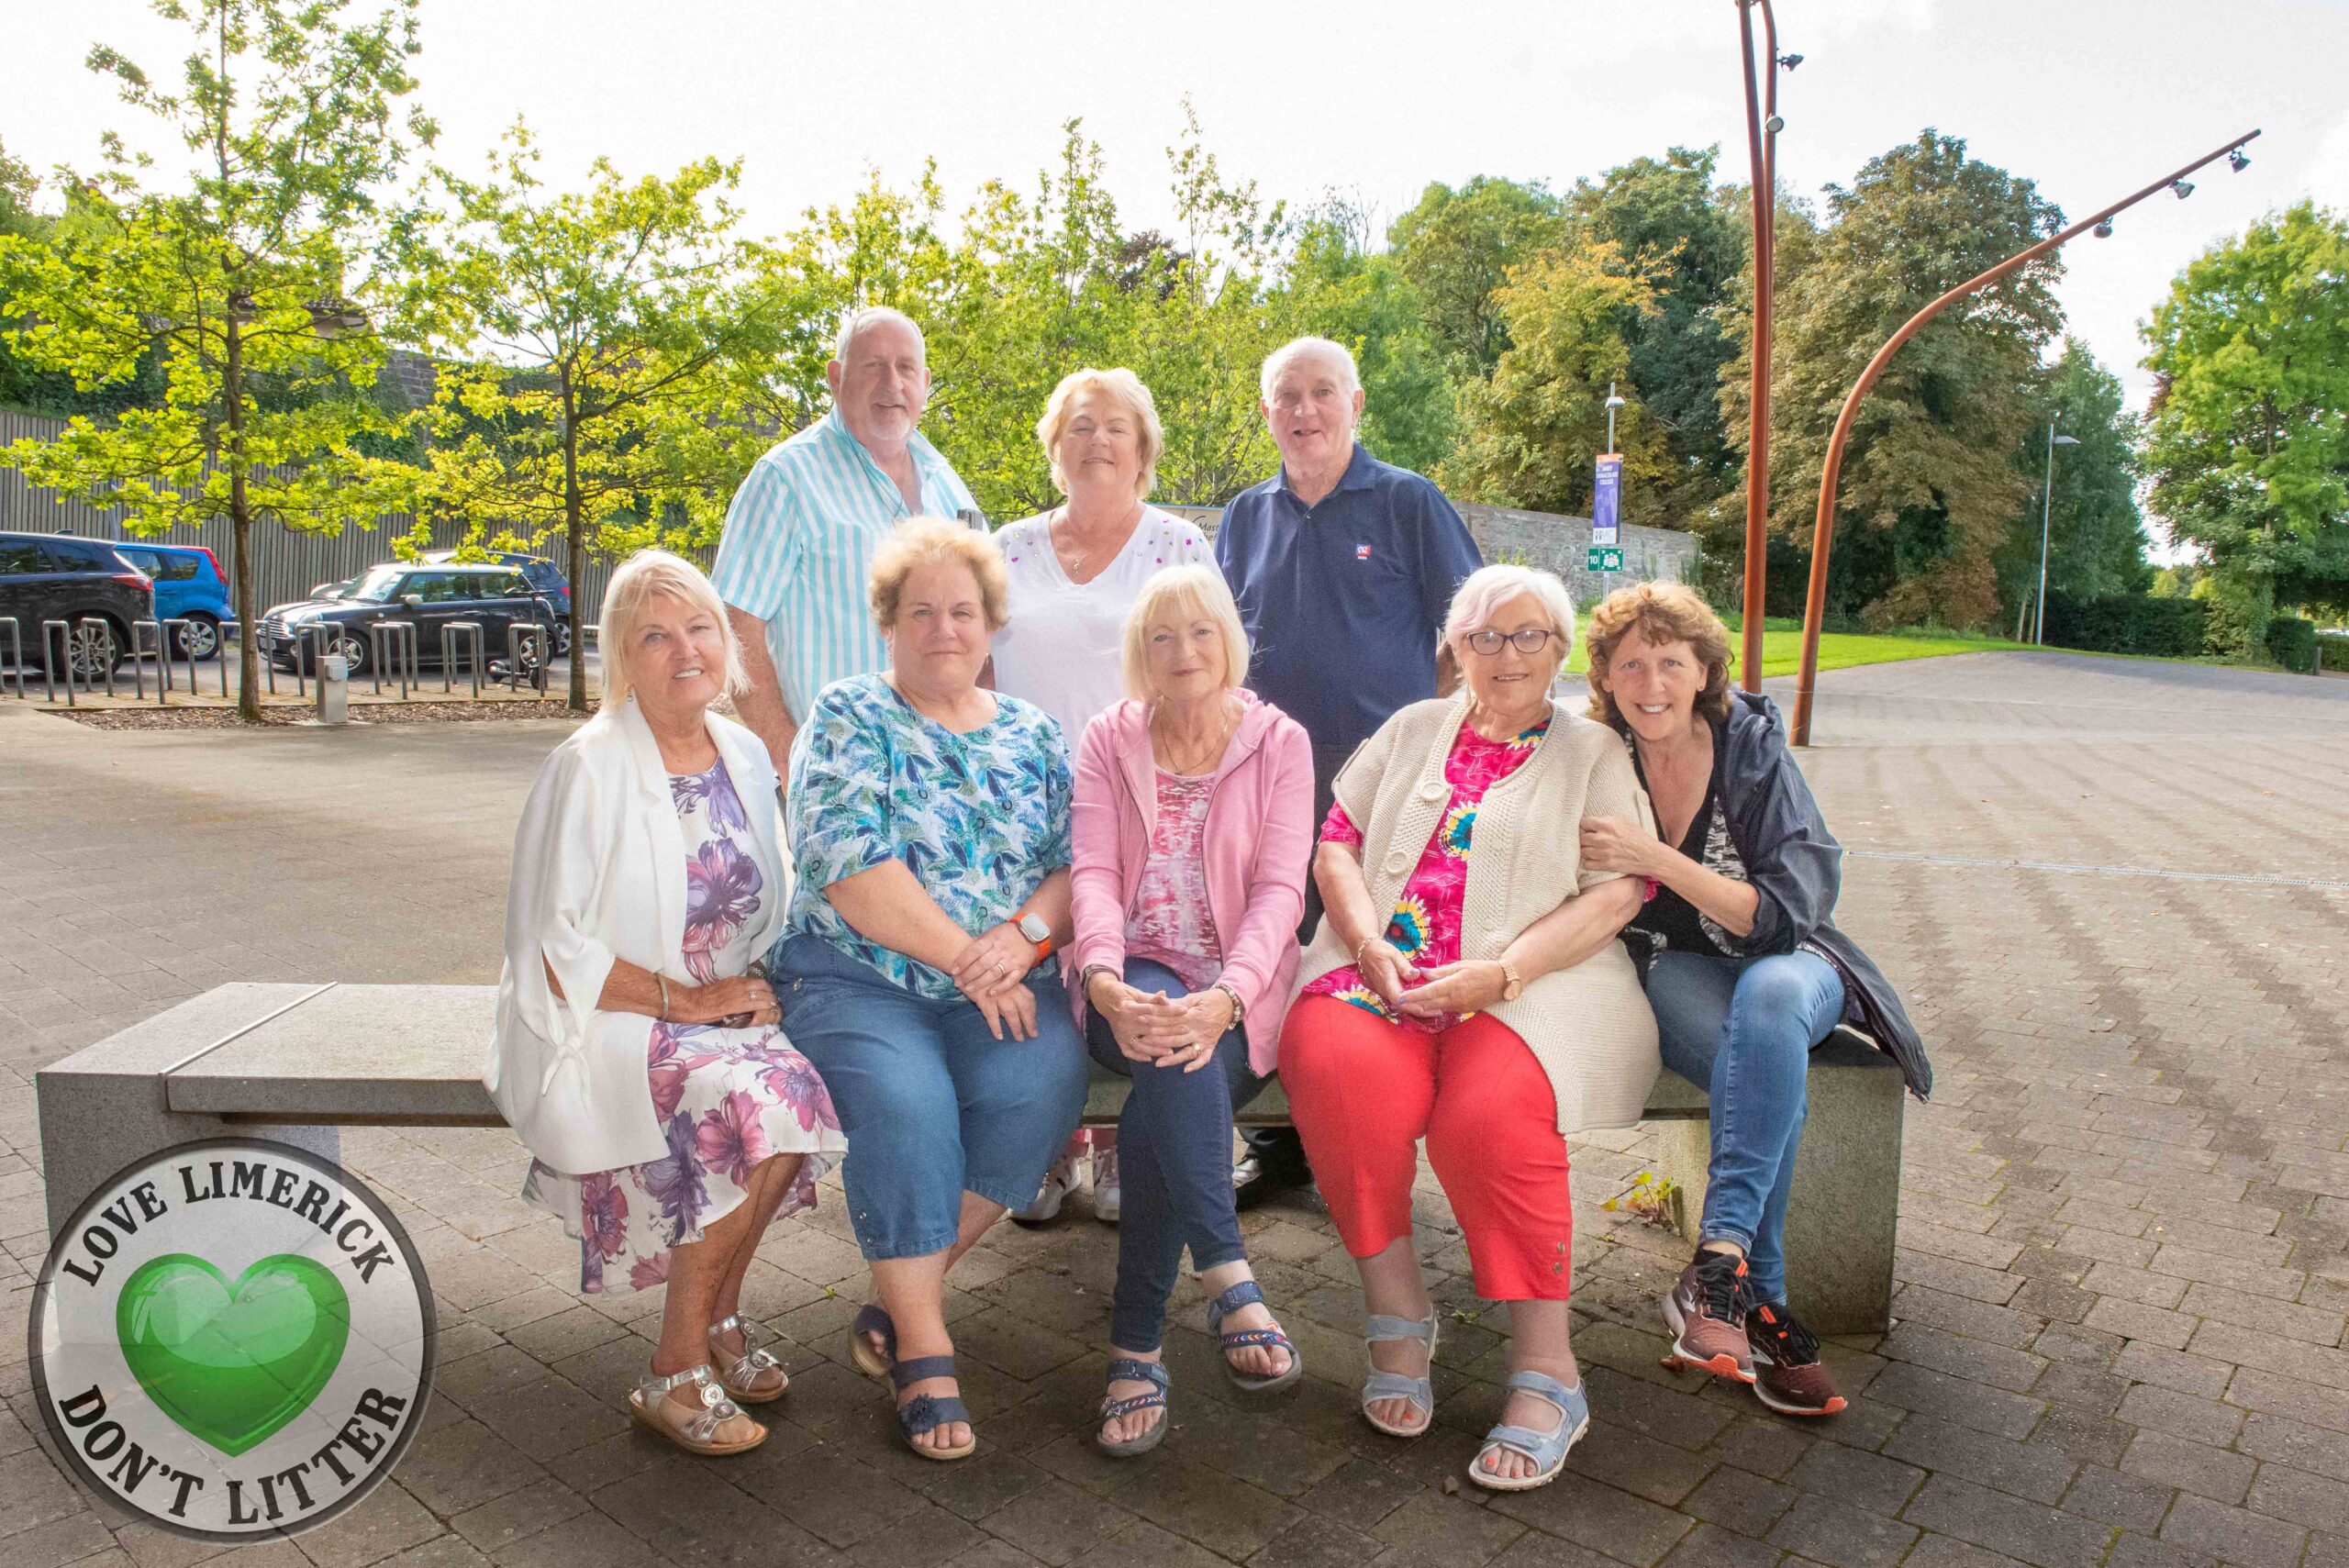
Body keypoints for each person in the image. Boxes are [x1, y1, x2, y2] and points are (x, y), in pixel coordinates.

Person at [1278, 563, 1657, 1493]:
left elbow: (1619, 889)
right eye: (1483, 636)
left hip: (1528, 982)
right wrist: (1364, 939)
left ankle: (1548, 1369)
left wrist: (1503, 970)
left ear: (1559, 649)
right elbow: (1336, 835)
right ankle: (1398, 1312)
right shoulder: (1413, 726)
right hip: (1386, 972)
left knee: (1484, 1116)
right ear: (1454, 647)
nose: (1505, 653)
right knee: (1333, 1065)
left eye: (1527, 634)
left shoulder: (1592, 751)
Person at [487, 550, 847, 1457]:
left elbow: (774, 890)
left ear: (726, 644)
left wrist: (755, 986)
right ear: (623, 655)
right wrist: (689, 999)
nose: (684, 648)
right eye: (655, 633)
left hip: (717, 1009)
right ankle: (673, 1366)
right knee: (751, 1099)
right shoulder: (589, 765)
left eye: (698, 627)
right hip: (615, 1014)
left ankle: (720, 1314)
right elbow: (549, 940)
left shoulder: (741, 751)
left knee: (799, 1092)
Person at [768, 517, 1089, 1462]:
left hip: (994, 979)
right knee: (907, 1104)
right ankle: (926, 1341)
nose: (943, 628)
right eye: (921, 610)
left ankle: (902, 1289)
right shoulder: (848, 711)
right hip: (858, 975)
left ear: (991, 623)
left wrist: (1024, 936)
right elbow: (847, 862)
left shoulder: (1033, 731)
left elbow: (1079, 866)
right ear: (888, 622)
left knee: (1042, 1078)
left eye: (962, 609)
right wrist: (972, 955)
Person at [1576, 581, 1931, 1418]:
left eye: (1672, 661)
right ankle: (1754, 1294)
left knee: (1768, 1007)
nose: (1652, 681)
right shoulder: (1600, 754)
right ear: (1607, 677)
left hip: (1794, 959)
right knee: (1758, 1070)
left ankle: (1718, 1257)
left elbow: (1785, 912)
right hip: (1680, 964)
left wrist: (1658, 859)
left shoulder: (1751, 748)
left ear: (1705, 670)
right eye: (1632, 663)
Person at [1214, 335, 1484, 1207]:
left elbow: (1470, 629)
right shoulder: (1244, 517)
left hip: (1381, 787)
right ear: (1267, 413)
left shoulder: (1409, 502)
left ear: (1355, 404)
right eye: (1286, 396)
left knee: (1369, 956)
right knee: (1274, 948)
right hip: (1267, 781)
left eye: (1322, 393)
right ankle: (1280, 1143)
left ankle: (1370, 1144)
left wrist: (1421, 731)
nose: (1304, 411)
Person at [1066, 564, 1315, 1455]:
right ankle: (1227, 1275)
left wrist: (1228, 995)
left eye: (1200, 632)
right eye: (1162, 636)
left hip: (1240, 994)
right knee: (1168, 1037)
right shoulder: (1108, 738)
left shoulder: (1278, 741)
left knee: (1168, 1091)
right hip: (1123, 979)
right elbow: (1092, 871)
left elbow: (1282, 891)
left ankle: (1137, 1346)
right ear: (1140, 651)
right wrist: (1099, 975)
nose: (1183, 652)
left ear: (1229, 643)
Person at [991, 367, 1211, 1226]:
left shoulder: (1179, 546)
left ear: (1144, 445)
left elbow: (1208, 667)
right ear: (1055, 446)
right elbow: (971, 664)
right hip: (1019, 794)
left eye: (1115, 426)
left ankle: (1124, 1147)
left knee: (1127, 957)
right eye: (1079, 426)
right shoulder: (1007, 547)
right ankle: (1043, 1146)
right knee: (1034, 961)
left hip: (1139, 793)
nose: (1097, 441)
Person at [711, 306, 982, 782]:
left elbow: (982, 628)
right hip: (838, 781)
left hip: (944, 779)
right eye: (873, 366)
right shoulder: (787, 478)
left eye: (906, 368)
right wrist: (790, 758)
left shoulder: (949, 487)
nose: (891, 383)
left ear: (925, 382)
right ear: (836, 378)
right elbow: (735, 627)